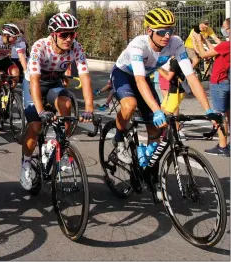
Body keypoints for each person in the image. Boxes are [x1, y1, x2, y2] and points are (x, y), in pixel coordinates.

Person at [111, 8, 216, 200]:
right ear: (149, 30)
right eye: (161, 31)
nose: (167, 35)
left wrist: (209, 110)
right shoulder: (138, 45)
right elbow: (139, 81)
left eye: (170, 30)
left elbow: (191, 77)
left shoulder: (175, 43)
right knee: (130, 105)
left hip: (144, 77)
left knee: (156, 132)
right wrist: (157, 110)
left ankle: (152, 175)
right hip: (124, 76)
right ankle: (118, 140)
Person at [20, 12, 94, 190]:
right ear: (53, 34)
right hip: (34, 83)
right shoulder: (40, 47)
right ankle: (26, 163)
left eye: (72, 34)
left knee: (66, 105)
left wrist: (90, 109)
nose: (69, 38)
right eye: (63, 34)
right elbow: (35, 81)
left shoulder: (76, 47)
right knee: (36, 126)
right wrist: (41, 111)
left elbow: (85, 78)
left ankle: (54, 144)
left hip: (54, 83)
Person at [194, 18, 230, 157]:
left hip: (219, 82)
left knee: (220, 116)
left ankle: (222, 146)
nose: (222, 29)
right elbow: (215, 50)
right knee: (227, 113)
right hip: (226, 82)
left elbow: (203, 55)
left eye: (224, 27)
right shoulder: (225, 46)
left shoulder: (227, 45)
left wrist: (197, 39)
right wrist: (204, 39)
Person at [0, 23, 27, 129]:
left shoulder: (16, 41)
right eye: (13, 37)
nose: (15, 40)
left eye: (16, 37)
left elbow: (21, 56)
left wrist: (26, 70)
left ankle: (9, 95)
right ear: (6, 35)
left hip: (5, 60)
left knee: (16, 73)